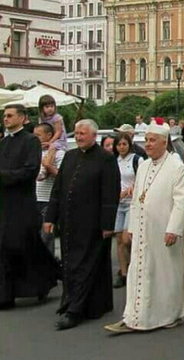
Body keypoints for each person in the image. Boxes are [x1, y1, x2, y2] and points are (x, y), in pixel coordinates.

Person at [103, 121, 184, 334]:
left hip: (164, 230)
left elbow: (182, 201)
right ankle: (135, 316)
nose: (148, 144)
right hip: (144, 230)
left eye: (153, 140)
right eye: (146, 140)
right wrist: (133, 226)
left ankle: (168, 315)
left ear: (164, 142)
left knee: (166, 275)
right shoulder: (143, 165)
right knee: (140, 271)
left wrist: (174, 229)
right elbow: (137, 199)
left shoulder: (176, 166)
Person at [44, 119, 120, 330]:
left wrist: (107, 224)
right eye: (76, 133)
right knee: (71, 264)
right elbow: (58, 190)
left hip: (93, 223)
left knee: (86, 265)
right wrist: (50, 217)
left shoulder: (105, 159)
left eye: (82, 134)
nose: (78, 137)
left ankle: (75, 311)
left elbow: (110, 193)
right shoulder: (69, 156)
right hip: (69, 222)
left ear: (93, 136)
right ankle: (73, 302)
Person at [0, 105, 60, 310]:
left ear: (22, 118)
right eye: (4, 116)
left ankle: (44, 280)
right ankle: (6, 295)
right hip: (5, 204)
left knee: (22, 245)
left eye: (9, 115)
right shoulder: (4, 142)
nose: (5, 119)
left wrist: (4, 177)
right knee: (4, 248)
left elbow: (30, 170)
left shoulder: (30, 141)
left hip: (23, 203)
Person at [112, 133, 144, 288]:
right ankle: (123, 272)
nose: (121, 147)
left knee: (127, 238)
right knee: (118, 240)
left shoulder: (137, 160)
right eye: (119, 145)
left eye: (124, 144)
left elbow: (142, 180)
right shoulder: (113, 161)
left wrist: (131, 189)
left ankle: (135, 266)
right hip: (118, 204)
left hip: (132, 203)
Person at [35, 122, 65, 257]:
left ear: (49, 135)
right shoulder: (35, 152)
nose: (35, 138)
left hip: (48, 200)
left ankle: (49, 270)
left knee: (46, 237)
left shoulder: (59, 153)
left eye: (38, 135)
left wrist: (48, 166)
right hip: (33, 199)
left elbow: (63, 176)